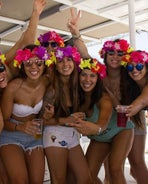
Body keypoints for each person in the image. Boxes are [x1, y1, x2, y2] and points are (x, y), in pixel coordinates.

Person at [67, 58, 134, 184]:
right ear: (78, 77)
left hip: (120, 131)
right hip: (100, 139)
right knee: (87, 176)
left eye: (92, 76)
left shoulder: (104, 98)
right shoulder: (75, 98)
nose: (87, 80)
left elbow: (103, 123)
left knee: (115, 169)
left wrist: (95, 128)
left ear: (98, 79)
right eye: (84, 75)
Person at [99, 39, 148, 184]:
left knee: (136, 162)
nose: (115, 56)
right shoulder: (99, 73)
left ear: (125, 56)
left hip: (134, 120)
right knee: (111, 167)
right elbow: (84, 54)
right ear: (105, 54)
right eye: (111, 52)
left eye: (120, 53)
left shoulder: (130, 72)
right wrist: (75, 33)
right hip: (111, 123)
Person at [0, 45, 51, 183]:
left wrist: (47, 116)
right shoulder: (13, 87)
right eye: (28, 63)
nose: (34, 67)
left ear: (44, 64)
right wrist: (20, 127)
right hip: (11, 134)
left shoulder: (47, 81)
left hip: (35, 135)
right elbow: (2, 121)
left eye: (38, 62)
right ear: (22, 65)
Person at [40, 46, 92, 184]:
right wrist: (67, 120)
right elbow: (42, 121)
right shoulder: (51, 90)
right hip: (54, 135)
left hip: (73, 136)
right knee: (59, 180)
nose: (65, 64)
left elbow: (92, 65)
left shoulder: (78, 86)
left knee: (85, 179)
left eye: (69, 60)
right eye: (60, 61)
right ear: (55, 66)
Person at [123, 50, 148, 177]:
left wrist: (126, 110)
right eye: (130, 66)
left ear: (147, 67)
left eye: (139, 66)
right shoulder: (135, 87)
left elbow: (140, 103)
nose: (135, 70)